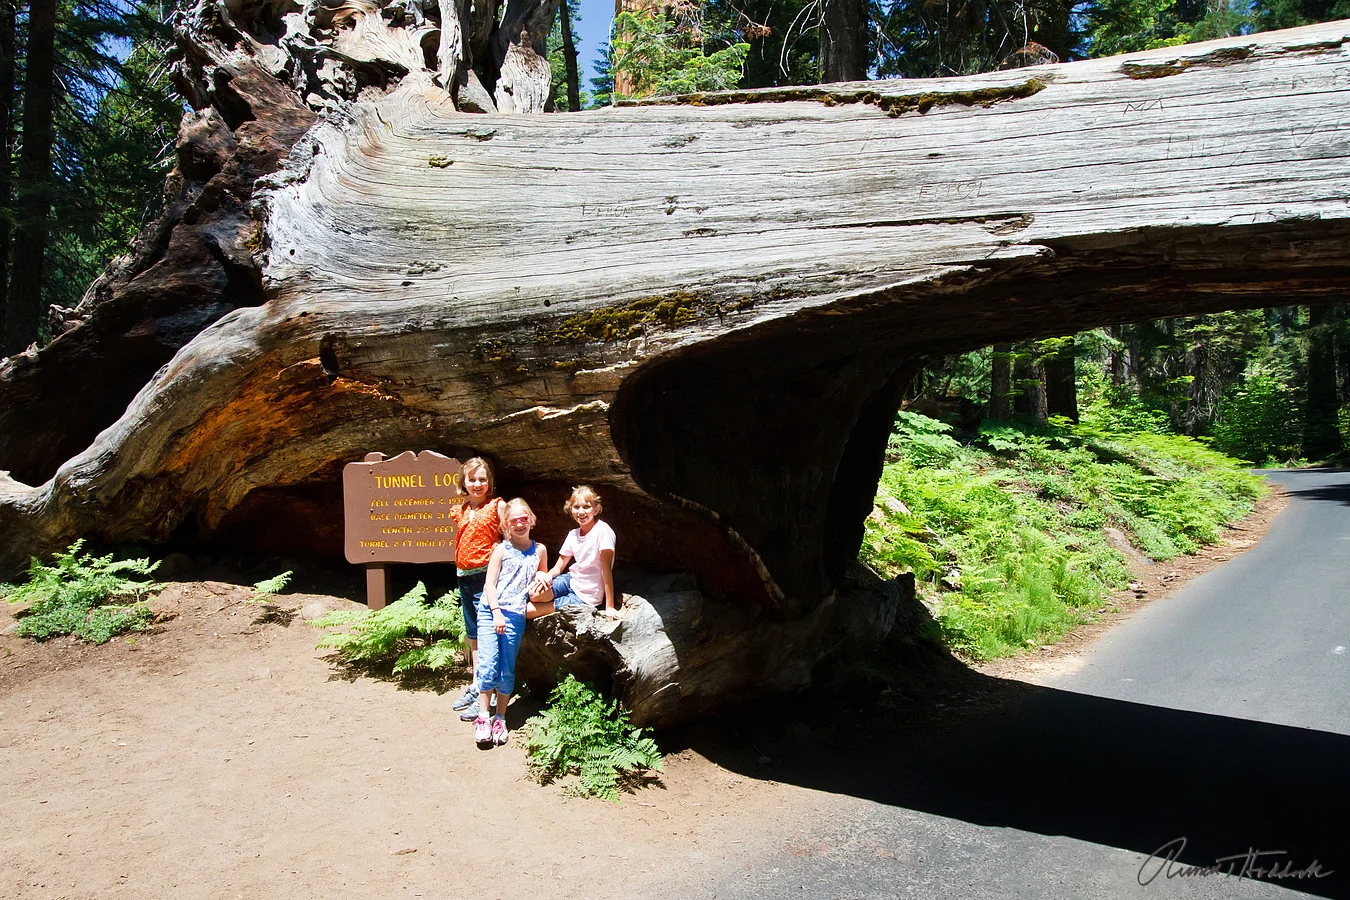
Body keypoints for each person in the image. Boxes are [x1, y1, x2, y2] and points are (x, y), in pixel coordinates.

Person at [473, 498, 548, 746]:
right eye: (513, 520)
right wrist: (495, 612)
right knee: (487, 663)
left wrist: (542, 579)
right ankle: (483, 717)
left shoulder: (540, 551)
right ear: (506, 524)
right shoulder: (501, 549)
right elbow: (489, 584)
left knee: (506, 668)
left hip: (515, 614)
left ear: (531, 520)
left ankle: (500, 717)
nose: (519, 524)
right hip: (490, 611)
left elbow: (542, 578)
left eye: (523, 519)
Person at [449, 457, 506, 721]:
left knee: (487, 636)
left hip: (486, 578)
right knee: (473, 635)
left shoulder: (497, 506)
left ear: (490, 482)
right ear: (463, 482)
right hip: (464, 577)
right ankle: (476, 684)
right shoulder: (460, 509)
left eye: (483, 479)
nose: (477, 484)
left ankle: (489, 692)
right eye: (472, 479)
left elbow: (510, 537)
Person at [529, 485, 619, 619]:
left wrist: (609, 606)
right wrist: (547, 577)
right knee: (534, 593)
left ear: (596, 509)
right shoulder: (573, 534)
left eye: (586, 507)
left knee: (528, 611)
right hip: (571, 580)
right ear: (571, 510)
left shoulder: (603, 531)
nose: (581, 512)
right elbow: (559, 566)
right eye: (576, 507)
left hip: (586, 595)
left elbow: (605, 570)